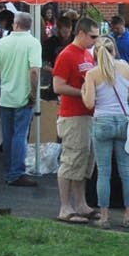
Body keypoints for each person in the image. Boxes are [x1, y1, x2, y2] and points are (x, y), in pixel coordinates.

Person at [85, 32, 129, 228]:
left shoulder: (92, 73)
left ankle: (104, 217)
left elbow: (89, 103)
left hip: (102, 121)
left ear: (95, 53)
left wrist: (84, 92)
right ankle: (128, 215)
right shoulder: (125, 67)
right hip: (123, 121)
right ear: (114, 51)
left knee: (104, 172)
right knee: (126, 171)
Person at [51, 18, 100, 223]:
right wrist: (83, 92)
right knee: (71, 161)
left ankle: (81, 204)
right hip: (72, 116)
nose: (95, 41)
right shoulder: (67, 55)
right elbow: (58, 86)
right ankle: (65, 207)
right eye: (92, 36)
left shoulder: (87, 54)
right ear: (81, 33)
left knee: (84, 162)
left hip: (87, 115)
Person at [0, 12, 45, 187]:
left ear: (15, 24)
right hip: (23, 96)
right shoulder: (33, 43)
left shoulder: (2, 43)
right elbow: (34, 71)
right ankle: (16, 172)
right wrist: (33, 94)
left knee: (8, 136)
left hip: (6, 95)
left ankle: (9, 170)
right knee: (20, 135)